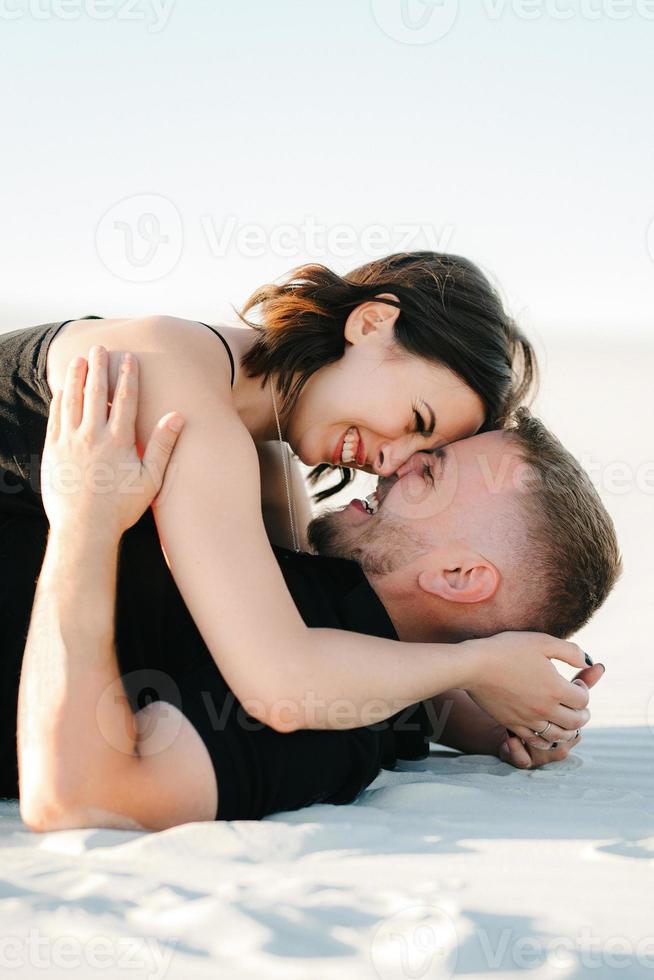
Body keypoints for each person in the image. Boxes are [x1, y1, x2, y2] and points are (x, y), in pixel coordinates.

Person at [1, 253, 588, 768]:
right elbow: (280, 680)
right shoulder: (174, 390)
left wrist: (479, 721)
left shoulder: (254, 443)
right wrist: (478, 664)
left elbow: (304, 630)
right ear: (372, 322)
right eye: (415, 421)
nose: (390, 463)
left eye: (424, 453)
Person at [16, 353, 620, 830]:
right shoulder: (343, 629)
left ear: (458, 577)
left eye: (430, 471)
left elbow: (81, 795)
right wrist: (481, 709)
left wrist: (85, 526)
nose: (394, 465)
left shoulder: (331, 721)